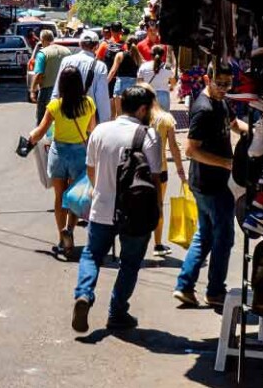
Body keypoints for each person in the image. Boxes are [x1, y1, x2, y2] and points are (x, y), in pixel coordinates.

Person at [71, 86, 162, 333]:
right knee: (129, 263)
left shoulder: (100, 131)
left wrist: (101, 189)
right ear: (142, 109)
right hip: (136, 212)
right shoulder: (149, 136)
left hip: (101, 208)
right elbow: (154, 178)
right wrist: (157, 210)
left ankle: (84, 294)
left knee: (91, 255)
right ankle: (117, 312)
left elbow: (91, 170)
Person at [174, 64, 248, 308]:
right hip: (211, 184)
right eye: (220, 83)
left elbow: (234, 124)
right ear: (208, 79)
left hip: (210, 183)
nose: (224, 88)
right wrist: (227, 163)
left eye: (228, 84)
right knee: (223, 238)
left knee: (205, 235)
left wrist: (254, 132)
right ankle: (215, 291)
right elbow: (191, 150)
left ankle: (185, 286)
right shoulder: (203, 109)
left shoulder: (221, 102)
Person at [28, 66, 98, 259]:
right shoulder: (89, 104)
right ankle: (70, 229)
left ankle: (61, 238)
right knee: (73, 196)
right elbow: (92, 129)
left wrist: (29, 140)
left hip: (58, 153)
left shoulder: (55, 106)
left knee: (59, 197)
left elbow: (40, 132)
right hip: (79, 154)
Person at [137, 81, 186, 257]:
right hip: (160, 170)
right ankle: (157, 245)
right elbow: (174, 147)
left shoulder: (135, 119)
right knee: (158, 206)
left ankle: (137, 243)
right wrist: (181, 171)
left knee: (137, 206)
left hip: (138, 168)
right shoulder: (166, 118)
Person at [53, 31, 112, 126]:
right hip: (89, 118)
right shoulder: (100, 66)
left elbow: (57, 90)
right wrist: (104, 123)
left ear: (80, 44)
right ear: (96, 46)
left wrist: (53, 115)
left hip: (66, 114)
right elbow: (102, 98)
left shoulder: (66, 61)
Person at [29, 30, 72, 124]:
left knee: (43, 119)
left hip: (47, 90)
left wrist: (32, 90)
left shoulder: (43, 53)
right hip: (65, 90)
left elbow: (39, 74)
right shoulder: (67, 51)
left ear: (42, 40)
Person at [107, 36, 142, 118]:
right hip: (133, 86)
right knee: (132, 114)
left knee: (119, 114)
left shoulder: (120, 55)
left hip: (121, 84)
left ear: (126, 44)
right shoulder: (139, 57)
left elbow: (112, 71)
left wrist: (105, 83)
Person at [136, 45, 176, 110]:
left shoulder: (144, 66)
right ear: (163, 55)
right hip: (163, 96)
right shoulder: (167, 67)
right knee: (163, 116)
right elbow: (173, 82)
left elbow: (139, 83)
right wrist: (171, 87)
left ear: (151, 55)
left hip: (148, 96)